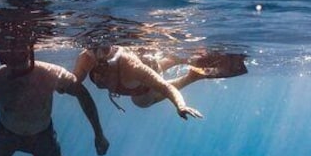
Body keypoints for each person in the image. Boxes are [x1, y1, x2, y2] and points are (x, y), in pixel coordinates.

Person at [72, 44, 247, 119]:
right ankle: (191, 74)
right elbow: (72, 81)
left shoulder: (131, 67)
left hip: (147, 69)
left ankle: (189, 66)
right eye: (99, 84)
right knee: (140, 99)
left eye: (105, 80)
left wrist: (180, 105)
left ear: (111, 71)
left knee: (142, 99)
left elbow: (165, 86)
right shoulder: (87, 60)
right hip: (140, 83)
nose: (103, 84)